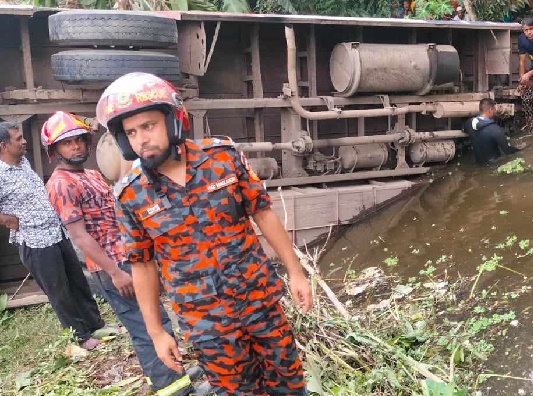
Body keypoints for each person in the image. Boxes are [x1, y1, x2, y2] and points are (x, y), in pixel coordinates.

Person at [98, 72, 312, 395]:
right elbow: (142, 265)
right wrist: (156, 333)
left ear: (172, 120)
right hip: (207, 324)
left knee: (290, 386)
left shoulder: (222, 157)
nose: (141, 139)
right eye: (131, 132)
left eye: (148, 126)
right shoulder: (130, 196)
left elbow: (263, 213)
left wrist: (295, 272)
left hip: (260, 303)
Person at [42, 112, 208, 396]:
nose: (76, 147)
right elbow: (80, 235)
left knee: (157, 319)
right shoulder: (60, 185)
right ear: (54, 150)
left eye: (79, 140)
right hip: (115, 266)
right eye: (67, 143)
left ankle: (174, 371)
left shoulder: (91, 174)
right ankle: (172, 388)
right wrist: (115, 273)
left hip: (130, 256)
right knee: (145, 326)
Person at [0, 121, 107, 350]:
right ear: (3, 146)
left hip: (56, 232)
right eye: (18, 139)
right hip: (35, 242)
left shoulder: (22, 162)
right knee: (59, 290)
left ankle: (95, 324)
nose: (24, 141)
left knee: (77, 281)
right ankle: (80, 336)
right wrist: (7, 220)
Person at [464, 98, 521, 164]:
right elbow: (508, 151)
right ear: (490, 110)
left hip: (479, 163)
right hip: (494, 164)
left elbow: (465, 130)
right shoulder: (495, 129)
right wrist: (522, 150)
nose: (495, 111)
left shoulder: (469, 123)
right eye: (494, 109)